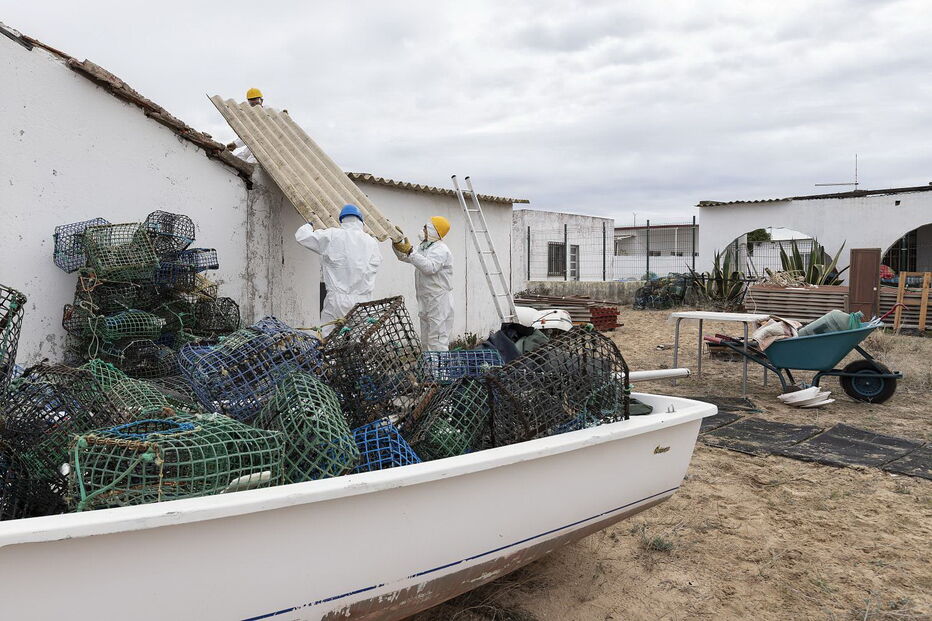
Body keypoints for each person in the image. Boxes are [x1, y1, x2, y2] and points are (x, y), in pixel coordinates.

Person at [295, 204, 382, 335]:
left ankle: (327, 349)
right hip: (363, 300)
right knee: (359, 338)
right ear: (360, 221)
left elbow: (302, 237)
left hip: (336, 300)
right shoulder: (371, 242)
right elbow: (376, 263)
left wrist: (308, 225)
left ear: (342, 220)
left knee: (327, 335)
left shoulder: (332, 235)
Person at [393, 216, 454, 350]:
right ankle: (429, 364)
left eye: (426, 228)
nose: (423, 230)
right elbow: (405, 257)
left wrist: (410, 251)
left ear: (434, 230)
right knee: (426, 339)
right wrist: (397, 243)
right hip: (426, 298)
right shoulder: (424, 247)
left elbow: (430, 267)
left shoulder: (441, 250)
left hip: (438, 300)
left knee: (437, 339)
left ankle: (440, 364)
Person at [227, 88, 264, 162]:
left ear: (261, 100)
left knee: (251, 162)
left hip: (265, 146)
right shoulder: (250, 116)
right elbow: (247, 134)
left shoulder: (268, 111)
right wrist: (235, 144)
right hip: (253, 144)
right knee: (239, 158)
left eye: (256, 102)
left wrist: (284, 116)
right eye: (252, 104)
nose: (255, 105)